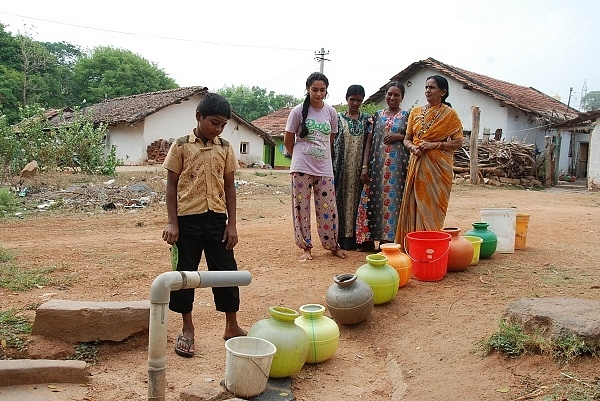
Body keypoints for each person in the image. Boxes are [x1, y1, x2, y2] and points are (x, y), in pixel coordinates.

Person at [161, 92, 246, 358]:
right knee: (185, 275)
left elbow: (230, 186)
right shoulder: (181, 145)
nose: (218, 128)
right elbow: (171, 187)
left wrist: (232, 225)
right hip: (187, 221)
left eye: (222, 125)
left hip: (217, 221)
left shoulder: (225, 148)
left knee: (227, 273)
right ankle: (187, 328)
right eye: (214, 122)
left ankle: (231, 326)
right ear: (199, 117)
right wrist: (172, 223)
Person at [394, 75, 464, 250]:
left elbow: (458, 142)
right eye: (426, 87)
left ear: (443, 92)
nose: (427, 91)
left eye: (432, 87)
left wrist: (435, 145)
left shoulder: (450, 115)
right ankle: (412, 247)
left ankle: (429, 246)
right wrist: (412, 148)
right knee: (413, 203)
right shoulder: (415, 112)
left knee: (432, 207)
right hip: (417, 163)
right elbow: (407, 139)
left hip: (438, 168)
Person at [284, 72, 346, 261]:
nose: (318, 94)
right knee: (301, 208)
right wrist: (299, 158)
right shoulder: (296, 112)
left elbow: (331, 139)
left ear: (327, 91)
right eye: (314, 90)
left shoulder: (331, 112)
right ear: (307, 89)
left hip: (324, 168)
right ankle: (306, 247)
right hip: (301, 167)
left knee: (328, 209)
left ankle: (332, 246)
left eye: (322, 90)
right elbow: (288, 140)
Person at [355, 81, 410, 252]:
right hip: (376, 166)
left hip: (397, 170)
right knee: (372, 201)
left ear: (402, 98)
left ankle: (388, 241)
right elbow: (369, 142)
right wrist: (364, 167)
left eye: (396, 95)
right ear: (385, 95)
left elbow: (411, 139)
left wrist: (399, 136)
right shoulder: (377, 116)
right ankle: (369, 240)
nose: (392, 98)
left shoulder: (407, 116)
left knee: (393, 202)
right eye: (389, 94)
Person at [332, 85, 373, 250]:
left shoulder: (367, 120)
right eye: (352, 99)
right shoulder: (337, 118)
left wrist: (365, 167)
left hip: (359, 168)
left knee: (359, 202)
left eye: (359, 100)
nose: (355, 103)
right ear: (346, 99)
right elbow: (332, 142)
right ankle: (342, 238)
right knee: (340, 201)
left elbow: (369, 143)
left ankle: (358, 238)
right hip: (341, 168)